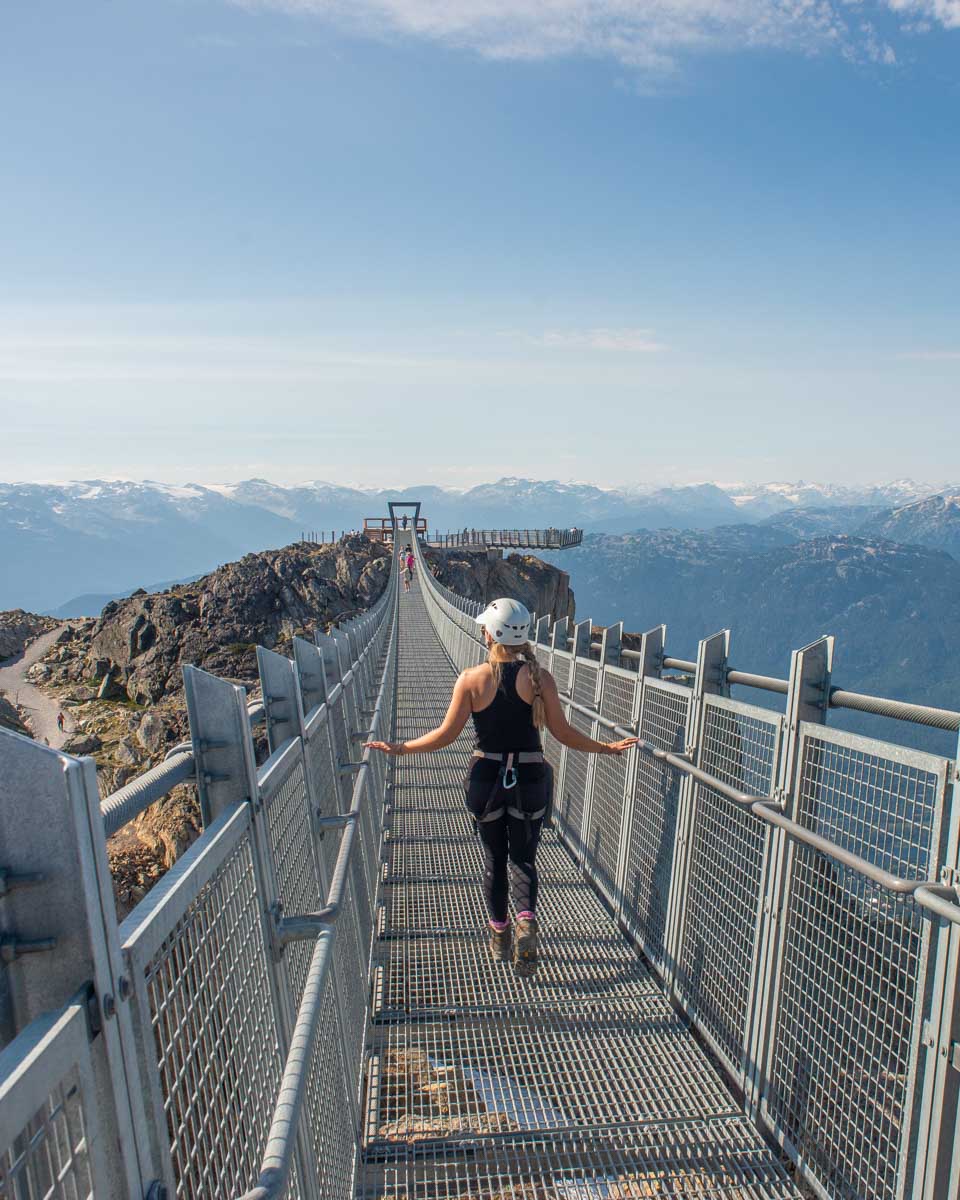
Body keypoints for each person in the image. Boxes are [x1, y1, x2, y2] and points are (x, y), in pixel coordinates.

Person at [366, 597, 636, 975]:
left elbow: (446, 736)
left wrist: (399, 748)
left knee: (495, 859)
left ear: (490, 633)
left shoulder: (472, 679)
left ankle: (500, 935)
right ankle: (526, 920)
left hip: (486, 780)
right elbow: (562, 732)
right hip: (530, 780)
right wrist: (606, 748)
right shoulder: (540, 679)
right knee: (523, 858)